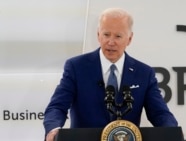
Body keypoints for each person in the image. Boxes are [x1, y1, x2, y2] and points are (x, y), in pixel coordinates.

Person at [43, 7, 178, 141]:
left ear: (129, 39)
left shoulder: (144, 73)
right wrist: (53, 129)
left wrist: (173, 132)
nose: (111, 42)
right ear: (98, 35)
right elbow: (57, 106)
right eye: (106, 34)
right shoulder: (76, 67)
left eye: (118, 36)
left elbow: (159, 113)